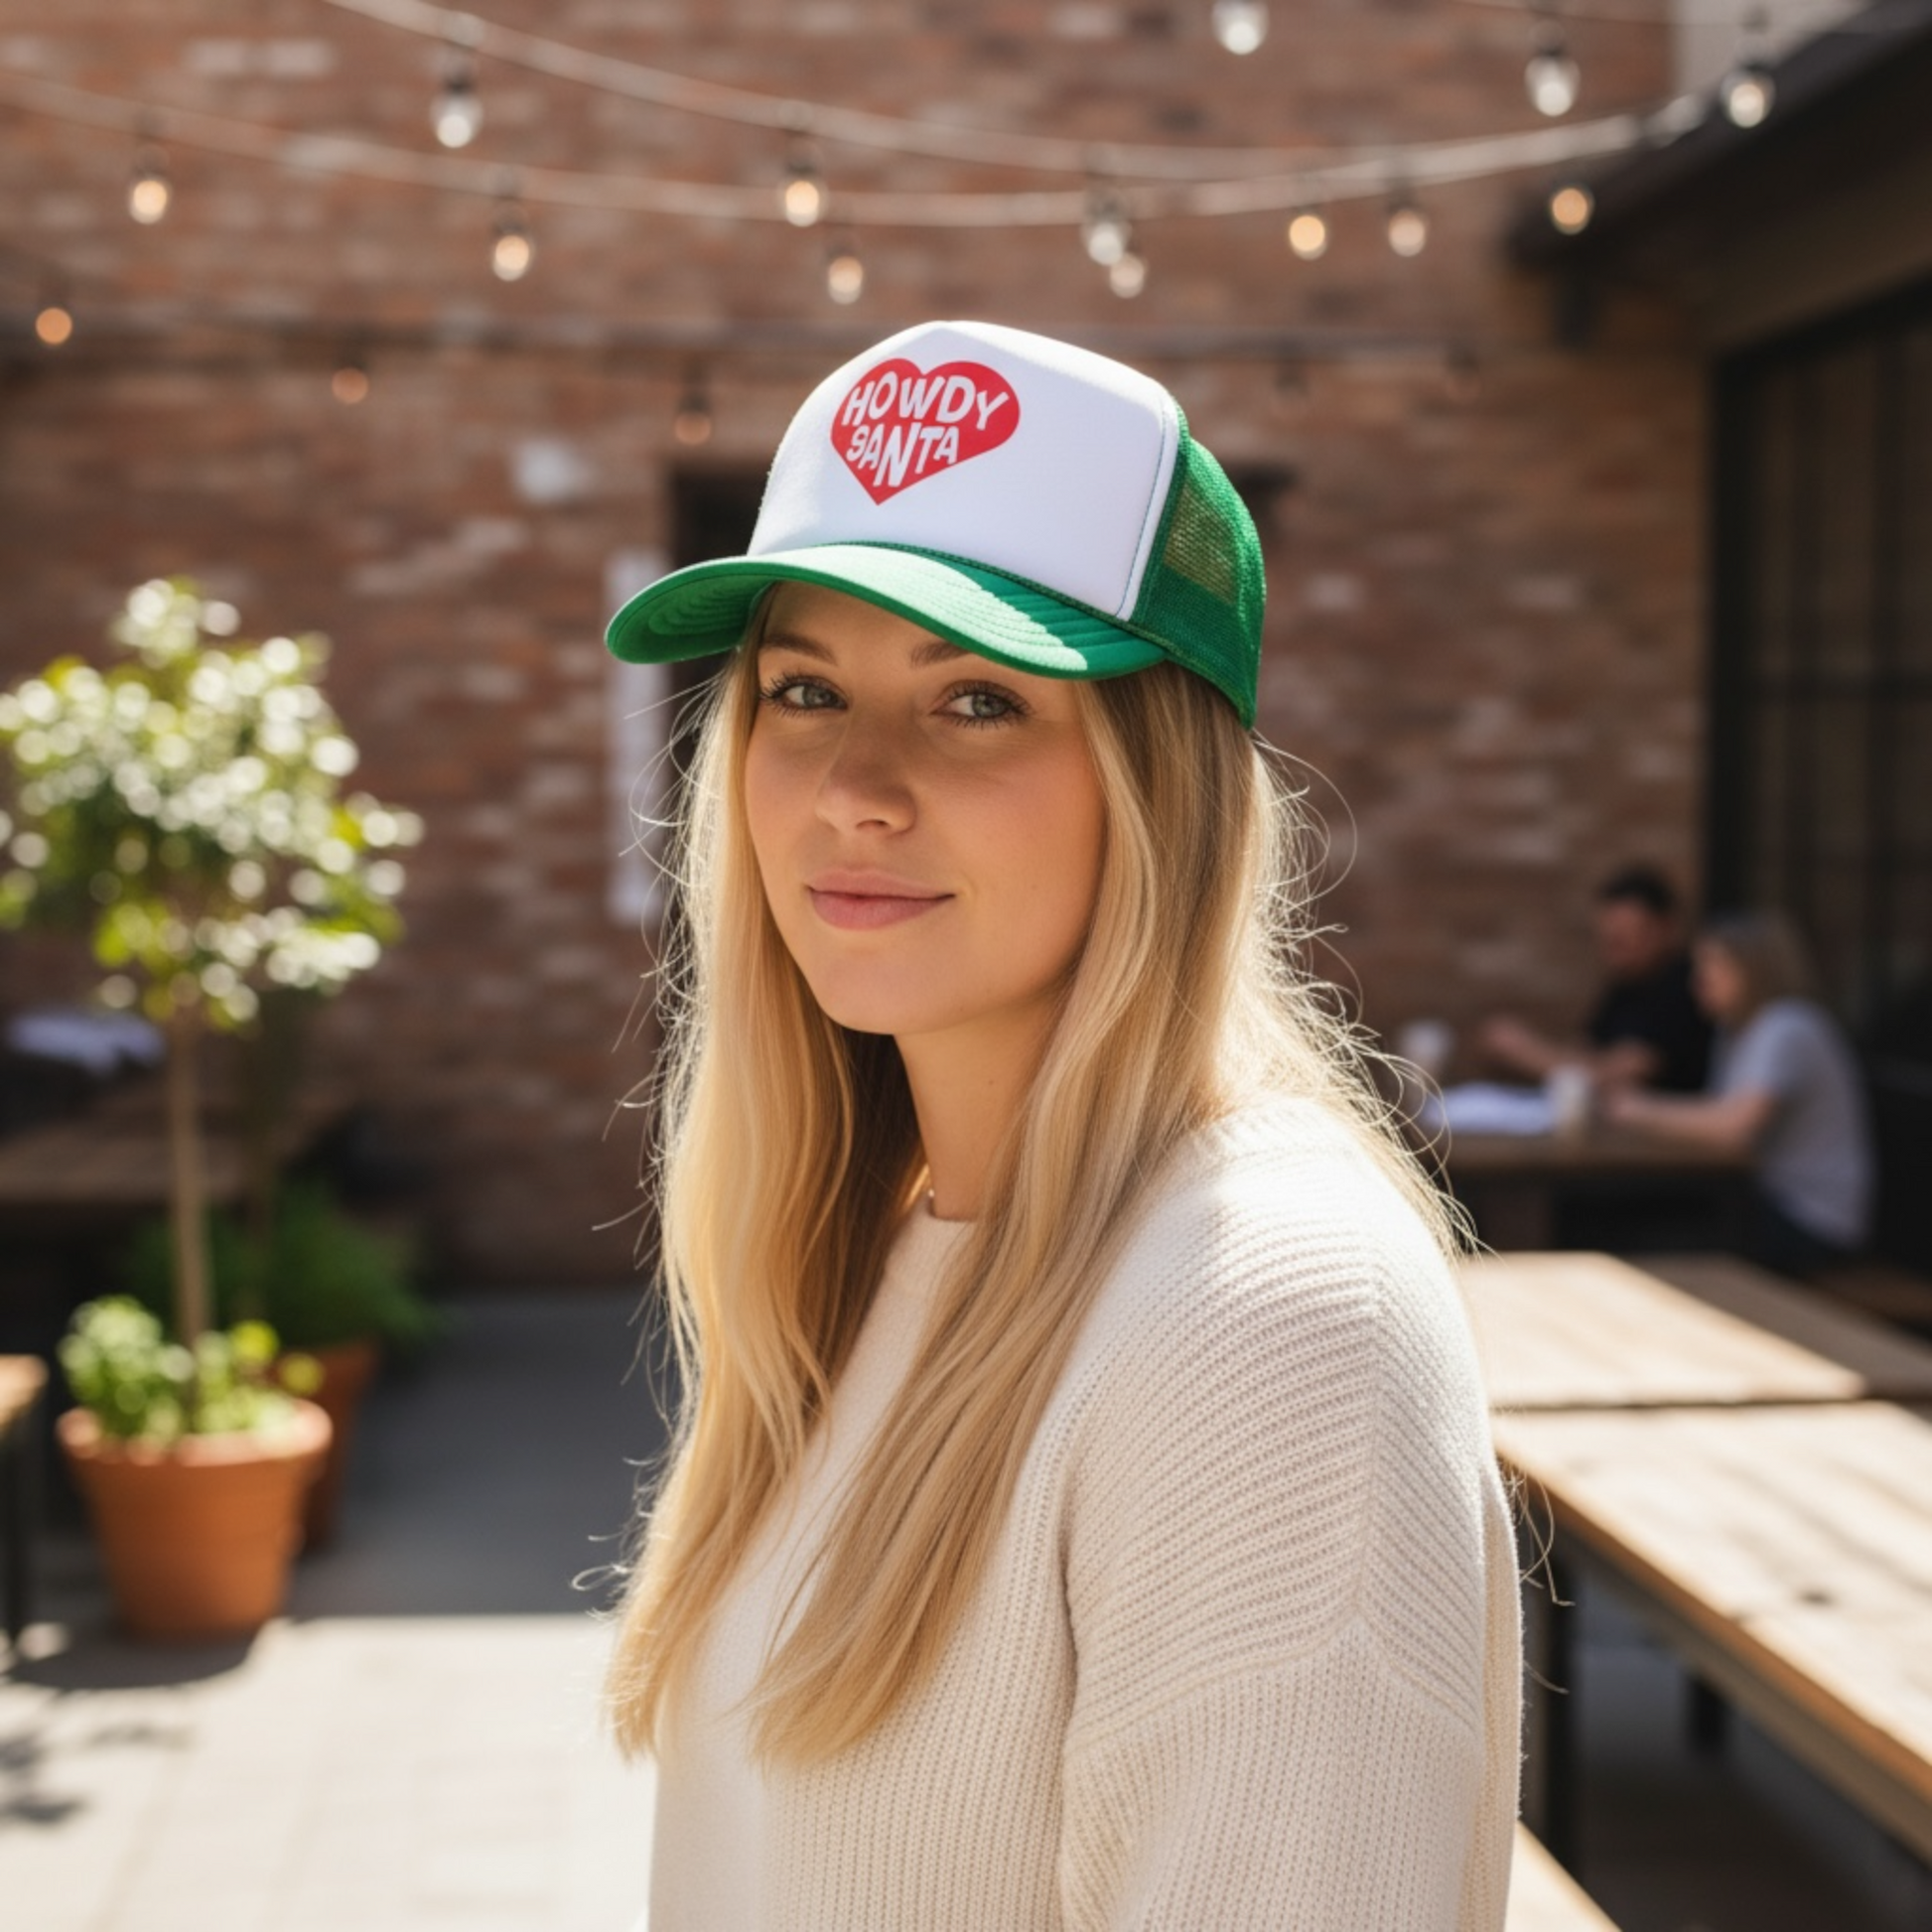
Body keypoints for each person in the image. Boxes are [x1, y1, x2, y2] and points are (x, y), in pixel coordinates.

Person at [601, 320, 1519, 1930]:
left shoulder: (1266, 1323)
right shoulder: (868, 1246)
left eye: (975, 703)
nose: (853, 788)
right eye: (803, 688)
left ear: (1159, 779)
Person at [1604, 911, 1873, 1279]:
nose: (1698, 982)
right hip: (1763, 1201)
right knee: (1633, 1225)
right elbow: (1717, 1116)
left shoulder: (1787, 1027)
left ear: (1752, 971)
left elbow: (1733, 1127)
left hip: (1812, 1219)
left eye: (1712, 967)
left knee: (1647, 1243)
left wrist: (1639, 1110)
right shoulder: (1736, 1029)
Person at [1480, 863, 1712, 1094]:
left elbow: (1608, 1077)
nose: (1615, 954)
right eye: (1608, 941)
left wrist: (1523, 1049)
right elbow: (1583, 1051)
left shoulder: (1686, 990)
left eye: (1625, 940)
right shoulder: (1626, 985)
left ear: (1666, 928)